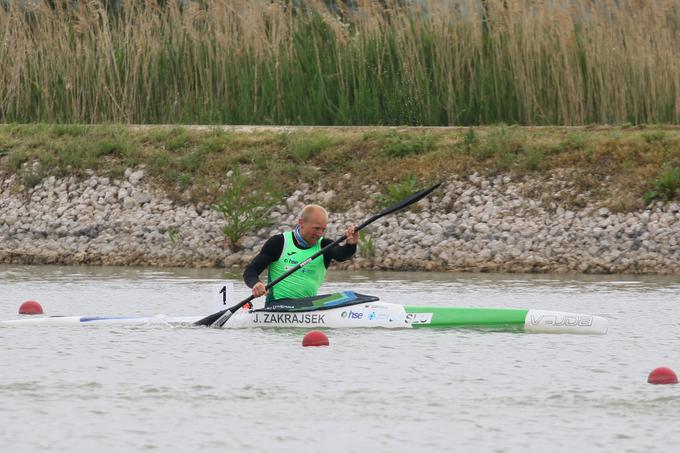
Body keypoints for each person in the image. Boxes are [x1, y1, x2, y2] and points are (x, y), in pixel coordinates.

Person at [243, 204, 359, 305]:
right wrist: (256, 284)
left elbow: (342, 255)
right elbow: (251, 271)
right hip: (278, 305)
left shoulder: (325, 245)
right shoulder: (279, 243)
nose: (320, 234)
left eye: (323, 229)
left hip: (308, 305)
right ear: (301, 223)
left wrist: (351, 244)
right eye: (316, 228)